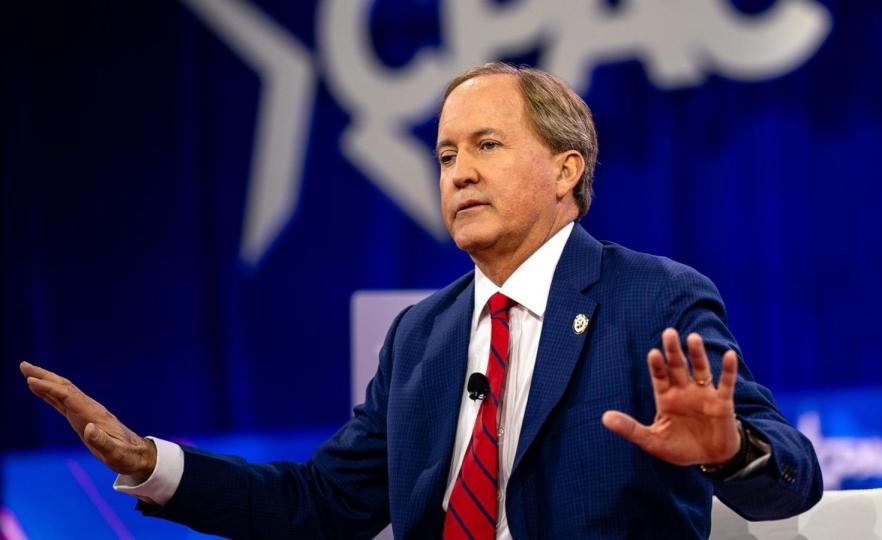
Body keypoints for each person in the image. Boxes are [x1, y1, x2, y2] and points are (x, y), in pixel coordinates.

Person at [20, 63, 822, 539]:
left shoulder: (655, 299)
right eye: (445, 154)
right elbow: (324, 506)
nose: (458, 172)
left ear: (567, 170)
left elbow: (792, 481)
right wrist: (153, 463)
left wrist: (727, 451)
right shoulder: (423, 336)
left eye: (486, 146)